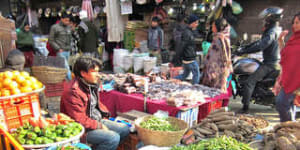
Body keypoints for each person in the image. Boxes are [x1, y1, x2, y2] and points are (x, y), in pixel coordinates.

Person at [60, 56, 129, 150]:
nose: (98, 75)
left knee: (124, 129)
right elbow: (78, 119)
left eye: (98, 71)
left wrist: (105, 116)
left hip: (94, 120)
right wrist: (99, 125)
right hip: (82, 129)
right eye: (94, 72)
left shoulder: (90, 83)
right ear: (83, 73)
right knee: (113, 138)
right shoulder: (73, 91)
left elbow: (95, 104)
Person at [235, 7, 283, 113]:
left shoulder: (271, 32)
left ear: (270, 18)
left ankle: (245, 108)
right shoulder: (273, 30)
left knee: (249, 82)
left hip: (270, 64)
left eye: (266, 18)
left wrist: (243, 51)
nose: (264, 21)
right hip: (271, 62)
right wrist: (245, 48)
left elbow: (261, 45)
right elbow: (258, 43)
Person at [275, 12, 300, 122]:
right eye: (293, 23)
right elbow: (285, 55)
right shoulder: (293, 39)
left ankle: (287, 126)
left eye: (297, 23)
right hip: (289, 79)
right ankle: (289, 129)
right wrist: (281, 41)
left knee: (281, 103)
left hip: (297, 82)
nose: (294, 25)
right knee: (287, 106)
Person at [201, 18, 232, 93]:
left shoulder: (219, 39)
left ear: (218, 27)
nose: (212, 28)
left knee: (214, 94)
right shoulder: (224, 37)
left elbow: (213, 58)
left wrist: (210, 73)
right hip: (221, 71)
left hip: (216, 73)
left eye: (213, 26)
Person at [175, 14, 200, 85]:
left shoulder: (189, 31)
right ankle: (195, 88)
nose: (197, 24)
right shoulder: (187, 33)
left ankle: (172, 80)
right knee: (197, 74)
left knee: (185, 75)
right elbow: (182, 46)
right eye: (196, 23)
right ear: (191, 23)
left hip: (187, 58)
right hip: (189, 58)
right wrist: (178, 57)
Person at [48, 12, 72, 80]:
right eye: (66, 20)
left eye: (68, 20)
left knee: (63, 69)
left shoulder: (68, 27)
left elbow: (70, 38)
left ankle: (65, 83)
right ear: (62, 19)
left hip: (67, 50)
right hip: (60, 51)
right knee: (66, 68)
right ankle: (71, 82)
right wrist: (58, 48)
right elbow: (51, 40)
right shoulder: (54, 27)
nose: (67, 22)